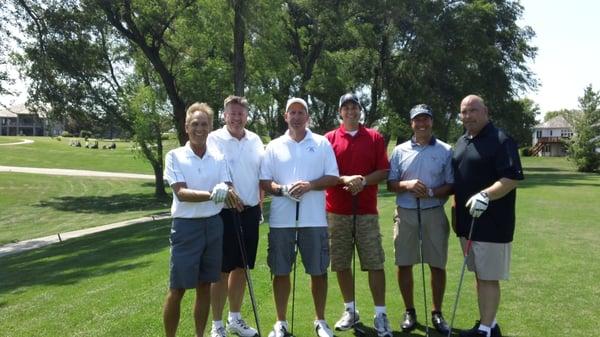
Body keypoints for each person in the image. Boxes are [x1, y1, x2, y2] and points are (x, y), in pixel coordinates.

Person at [259, 97, 339, 337]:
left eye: (300, 112)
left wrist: (309, 185)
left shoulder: (322, 143)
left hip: (314, 219)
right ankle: (281, 322)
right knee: (281, 271)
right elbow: (264, 181)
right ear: (285, 117)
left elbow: (333, 177)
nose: (296, 116)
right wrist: (284, 190)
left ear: (308, 116)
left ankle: (320, 320)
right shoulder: (273, 146)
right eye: (291, 112)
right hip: (282, 220)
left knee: (318, 271)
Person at [162, 102, 236, 337]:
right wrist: (213, 194)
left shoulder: (218, 156)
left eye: (204, 124)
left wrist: (226, 190)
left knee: (205, 286)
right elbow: (181, 193)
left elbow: (227, 185)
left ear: (211, 127)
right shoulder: (175, 156)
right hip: (186, 227)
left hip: (213, 226)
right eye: (195, 124)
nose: (200, 129)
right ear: (186, 126)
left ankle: (199, 335)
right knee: (178, 288)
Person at [452, 95, 524, 337]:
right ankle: (488, 324)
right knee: (480, 276)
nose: (468, 116)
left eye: (473, 110)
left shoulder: (501, 140)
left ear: (486, 111)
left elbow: (511, 178)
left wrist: (485, 195)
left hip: (493, 225)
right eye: (464, 111)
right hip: (467, 224)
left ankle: (486, 330)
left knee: (489, 278)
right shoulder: (462, 141)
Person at [324, 93, 392, 336]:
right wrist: (345, 179)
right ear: (340, 112)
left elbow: (383, 170)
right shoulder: (329, 139)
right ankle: (350, 310)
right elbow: (325, 173)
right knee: (341, 263)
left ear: (360, 111)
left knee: (374, 262)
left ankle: (381, 313)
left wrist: (363, 181)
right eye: (346, 107)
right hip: (337, 212)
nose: (351, 111)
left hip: (366, 212)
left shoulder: (374, 137)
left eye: (355, 107)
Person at [387, 104, 454, 335]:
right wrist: (407, 185)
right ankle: (410, 311)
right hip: (405, 213)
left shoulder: (446, 150)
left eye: (426, 119)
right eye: (417, 120)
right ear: (411, 123)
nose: (422, 124)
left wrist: (432, 192)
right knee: (404, 262)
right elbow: (391, 183)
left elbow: (451, 185)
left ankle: (437, 313)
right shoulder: (399, 151)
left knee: (437, 264)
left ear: (432, 122)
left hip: (434, 212)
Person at [207, 95, 264, 337]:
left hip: (250, 211)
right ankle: (217, 324)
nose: (236, 117)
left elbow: (261, 173)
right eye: (232, 113)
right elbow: (217, 169)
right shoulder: (214, 138)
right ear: (224, 115)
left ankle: (235, 319)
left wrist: (260, 206)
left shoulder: (255, 139)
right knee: (221, 270)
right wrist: (229, 189)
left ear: (247, 116)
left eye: (241, 113)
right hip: (225, 212)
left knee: (242, 267)